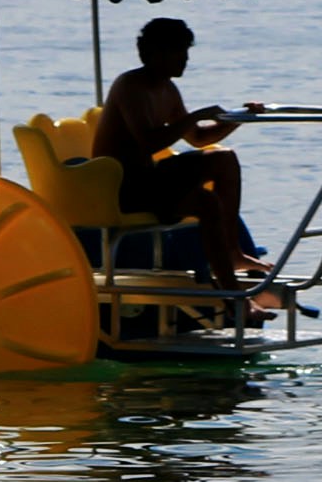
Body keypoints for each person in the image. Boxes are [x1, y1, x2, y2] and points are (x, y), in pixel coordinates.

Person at [88, 15, 265, 293]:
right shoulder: (129, 86)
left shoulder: (168, 88)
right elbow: (147, 142)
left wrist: (238, 118)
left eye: (186, 51)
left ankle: (233, 252)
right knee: (206, 202)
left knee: (223, 158)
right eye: (178, 52)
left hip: (150, 180)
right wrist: (194, 115)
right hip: (124, 188)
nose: (185, 59)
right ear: (154, 53)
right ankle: (234, 296)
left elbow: (197, 138)